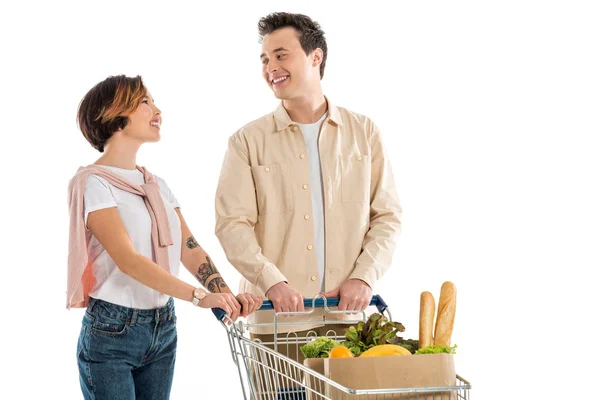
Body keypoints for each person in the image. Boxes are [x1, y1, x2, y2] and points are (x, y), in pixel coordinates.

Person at [214, 12, 403, 360]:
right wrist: (272, 281)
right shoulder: (247, 141)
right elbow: (232, 224)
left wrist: (364, 277)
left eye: (281, 55)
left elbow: (387, 216)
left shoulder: (364, 133)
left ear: (315, 57)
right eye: (265, 59)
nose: (271, 67)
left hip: (347, 321)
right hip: (276, 323)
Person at [67, 75, 262, 400]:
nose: (157, 110)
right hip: (113, 329)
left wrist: (227, 298)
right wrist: (200, 297)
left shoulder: (155, 184)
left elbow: (189, 248)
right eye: (145, 102)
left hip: (162, 323)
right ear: (114, 112)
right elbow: (128, 261)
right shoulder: (93, 183)